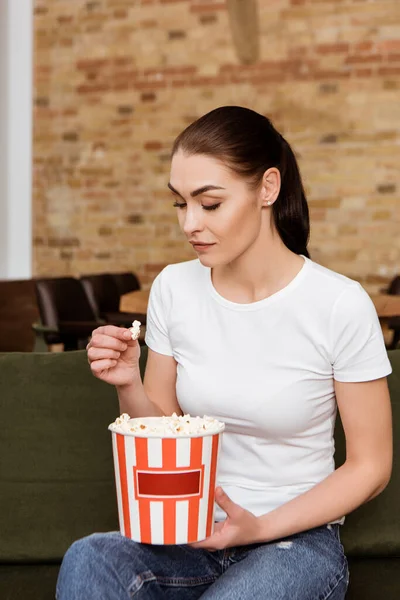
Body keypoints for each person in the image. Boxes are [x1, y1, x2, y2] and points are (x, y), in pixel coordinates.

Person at [56, 106, 393, 599]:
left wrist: (257, 527)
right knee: (90, 557)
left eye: (209, 204)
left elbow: (371, 467)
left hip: (294, 544)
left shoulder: (338, 304)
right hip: (190, 534)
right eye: (180, 204)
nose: (190, 224)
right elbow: (163, 435)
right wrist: (129, 381)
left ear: (268, 188)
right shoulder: (174, 288)